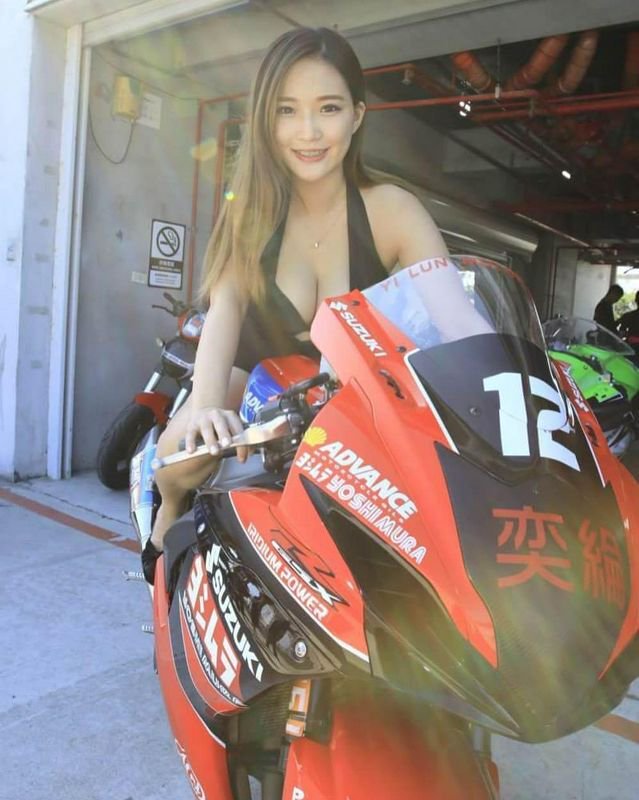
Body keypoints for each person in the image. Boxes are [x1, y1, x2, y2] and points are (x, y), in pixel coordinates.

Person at [141, 26, 449, 583]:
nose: (308, 132)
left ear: (356, 115)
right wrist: (207, 406)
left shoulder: (393, 209)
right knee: (183, 456)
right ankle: (165, 521)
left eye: (328, 108)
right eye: (287, 110)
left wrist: (519, 384)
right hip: (250, 376)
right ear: (266, 120)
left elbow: (460, 321)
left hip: (354, 394)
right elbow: (225, 308)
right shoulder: (251, 209)